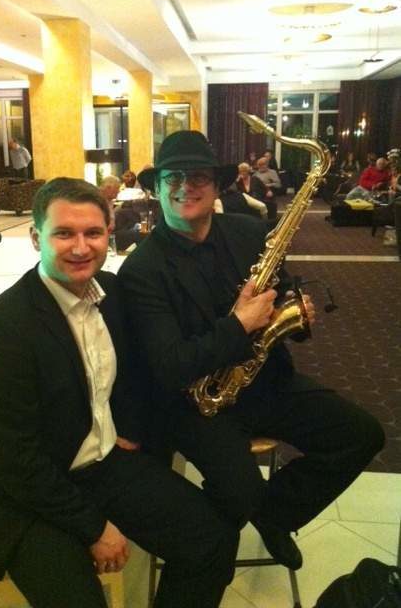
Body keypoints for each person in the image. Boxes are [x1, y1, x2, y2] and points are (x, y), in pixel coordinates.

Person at [0, 178, 238, 608]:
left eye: (93, 233)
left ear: (108, 234)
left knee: (212, 541)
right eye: (64, 233)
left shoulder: (110, 291)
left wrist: (130, 429)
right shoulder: (4, 328)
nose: (81, 248)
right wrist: (95, 528)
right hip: (25, 494)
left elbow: (134, 373)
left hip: (99, 464)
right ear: (36, 238)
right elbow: (13, 458)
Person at [119, 130, 384, 573]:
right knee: (240, 489)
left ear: (216, 185)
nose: (185, 187)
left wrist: (296, 314)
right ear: (158, 187)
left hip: (266, 380)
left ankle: (274, 515)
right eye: (173, 178)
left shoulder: (249, 232)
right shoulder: (141, 269)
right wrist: (240, 324)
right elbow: (170, 366)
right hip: (197, 403)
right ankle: (214, 546)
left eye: (198, 177)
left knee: (362, 435)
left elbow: (282, 291)